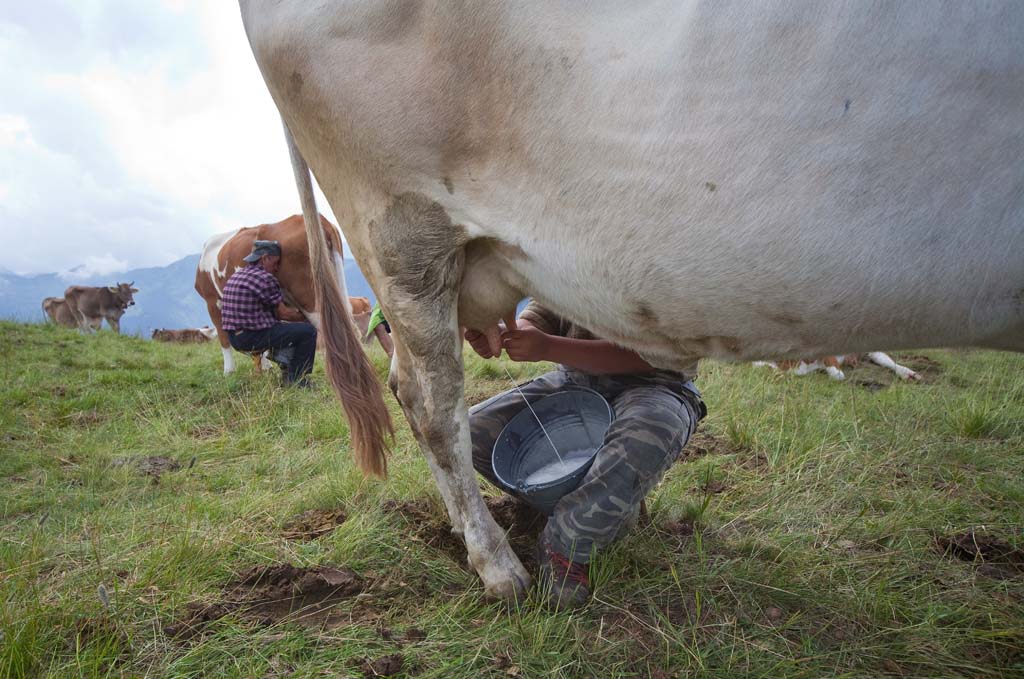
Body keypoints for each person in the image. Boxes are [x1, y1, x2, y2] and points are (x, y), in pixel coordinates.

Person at [465, 302, 706, 609]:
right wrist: (511, 336)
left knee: (646, 435)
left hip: (655, 384)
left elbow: (658, 353)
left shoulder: (668, 266)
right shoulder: (568, 255)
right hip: (575, 380)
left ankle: (566, 545)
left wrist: (549, 347)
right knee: (470, 432)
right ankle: (594, 507)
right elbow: (542, 312)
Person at [221, 239, 318, 386]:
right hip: (251, 337)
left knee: (285, 331)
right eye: (276, 263)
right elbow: (283, 314)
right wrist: (309, 317)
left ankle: (287, 369)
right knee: (307, 331)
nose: (277, 268)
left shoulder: (237, 276)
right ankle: (297, 379)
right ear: (265, 258)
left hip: (234, 338)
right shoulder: (265, 278)